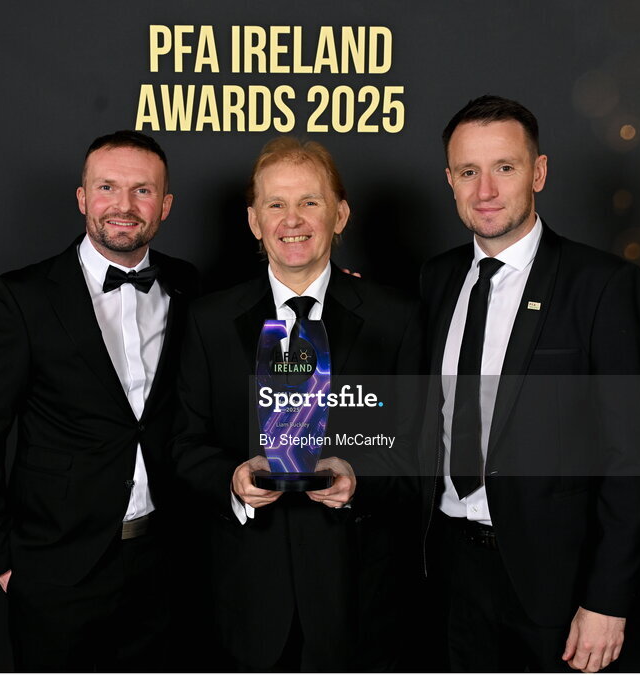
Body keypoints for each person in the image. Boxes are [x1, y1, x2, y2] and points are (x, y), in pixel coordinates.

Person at [419, 95, 640, 673]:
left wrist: (606, 600)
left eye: (505, 167)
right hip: (447, 570)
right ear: (449, 180)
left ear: (539, 173)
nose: (486, 191)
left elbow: (634, 457)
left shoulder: (603, 285)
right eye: (468, 172)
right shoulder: (434, 279)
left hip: (556, 584)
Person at [172, 137, 421, 671]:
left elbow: (419, 451)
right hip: (242, 607)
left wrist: (361, 480)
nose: (293, 219)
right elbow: (184, 445)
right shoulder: (207, 321)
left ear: (340, 214)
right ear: (253, 221)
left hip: (359, 605)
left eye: (309, 201)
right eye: (275, 204)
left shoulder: (397, 318)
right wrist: (232, 480)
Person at [0, 130, 199, 671]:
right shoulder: (22, 298)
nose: (124, 205)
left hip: (165, 565)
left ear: (165, 206)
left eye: (142, 191)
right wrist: (0, 559)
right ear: (83, 198)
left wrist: (325, 286)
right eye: (108, 187)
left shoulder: (187, 285)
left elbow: (255, 321)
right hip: (56, 571)